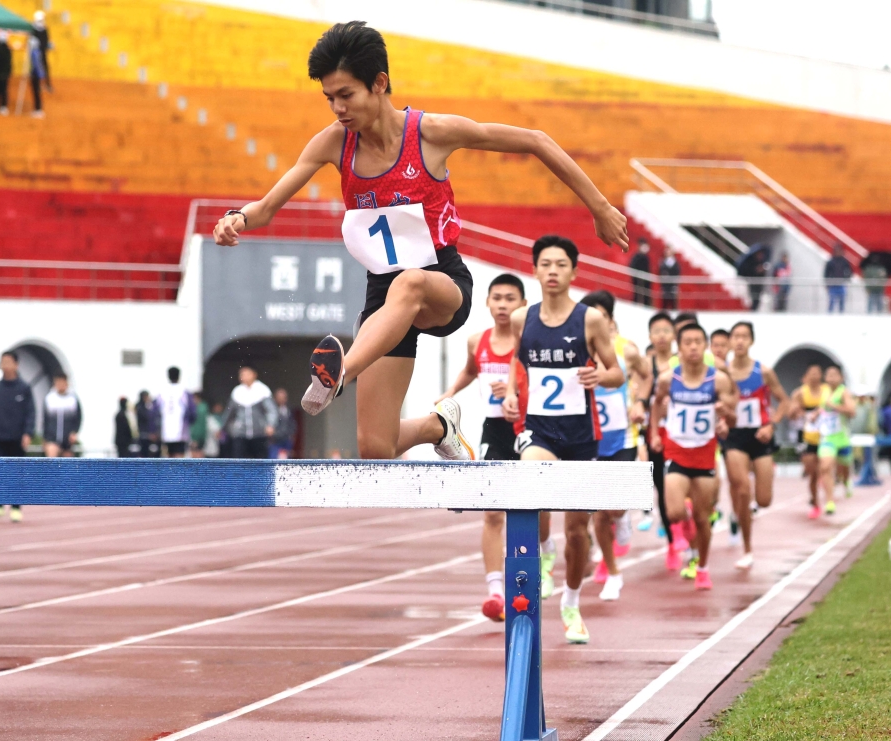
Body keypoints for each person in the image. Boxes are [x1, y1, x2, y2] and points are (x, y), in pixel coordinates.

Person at [212, 22, 629, 470]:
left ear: (380, 83)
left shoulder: (431, 133)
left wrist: (601, 208)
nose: (337, 108)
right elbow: (270, 205)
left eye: (346, 95)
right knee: (375, 446)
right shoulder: (335, 144)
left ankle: (338, 376)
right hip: (383, 300)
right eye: (329, 98)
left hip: (441, 282)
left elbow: (536, 141)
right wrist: (237, 217)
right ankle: (438, 427)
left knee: (409, 284)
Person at [501, 236, 624, 644]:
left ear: (574, 271)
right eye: (545, 264)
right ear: (535, 270)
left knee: (579, 531)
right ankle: (543, 547)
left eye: (561, 265)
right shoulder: (522, 318)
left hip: (580, 436)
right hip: (539, 428)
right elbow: (518, 362)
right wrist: (514, 393)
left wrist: (599, 376)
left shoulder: (590, 320)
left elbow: (616, 372)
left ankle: (571, 601)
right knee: (530, 485)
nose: (552, 271)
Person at [437, 273, 527, 621]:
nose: (503, 305)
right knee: (492, 511)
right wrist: (448, 394)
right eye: (497, 298)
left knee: (538, 512)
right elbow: (471, 370)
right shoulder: (478, 341)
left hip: (529, 428)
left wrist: (517, 390)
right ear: (488, 303)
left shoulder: (530, 340)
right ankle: (496, 593)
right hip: (494, 429)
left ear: (522, 305)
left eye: (510, 299)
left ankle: (543, 560)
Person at [650, 324, 736, 590]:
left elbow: (732, 415)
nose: (694, 347)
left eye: (699, 341)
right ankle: (685, 533)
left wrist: (725, 420)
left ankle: (703, 566)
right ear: (679, 346)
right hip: (676, 450)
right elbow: (655, 404)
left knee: (703, 517)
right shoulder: (668, 379)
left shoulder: (718, 379)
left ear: (706, 346)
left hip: (705, 454)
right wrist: (654, 432)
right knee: (675, 512)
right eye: (688, 342)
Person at [580, 290, 652, 602]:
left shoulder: (628, 350)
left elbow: (647, 376)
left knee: (615, 507)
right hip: (589, 439)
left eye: (600, 317)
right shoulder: (577, 349)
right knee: (598, 510)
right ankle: (613, 572)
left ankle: (623, 517)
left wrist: (638, 402)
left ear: (610, 320)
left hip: (622, 438)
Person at [721, 322, 789, 570]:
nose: (739, 341)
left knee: (764, 500)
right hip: (734, 436)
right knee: (741, 489)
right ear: (729, 342)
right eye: (735, 336)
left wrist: (771, 425)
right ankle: (747, 548)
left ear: (751, 341)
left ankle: (740, 512)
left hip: (760, 436)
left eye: (744, 337)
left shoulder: (764, 372)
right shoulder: (723, 374)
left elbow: (784, 401)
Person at [0, 351, 36, 523]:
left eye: (8, 362)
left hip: (17, 437)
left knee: (17, 473)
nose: (5, 365)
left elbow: (30, 413)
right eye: (2, 362)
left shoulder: (24, 388)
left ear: (16, 364)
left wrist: (28, 433)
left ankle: (16, 507)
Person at [644, 311, 678, 569]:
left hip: (680, 434)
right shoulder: (646, 365)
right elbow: (638, 393)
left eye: (667, 330)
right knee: (661, 489)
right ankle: (672, 542)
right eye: (657, 331)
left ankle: (685, 530)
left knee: (680, 487)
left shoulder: (683, 363)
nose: (662, 336)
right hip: (654, 434)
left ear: (674, 335)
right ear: (650, 336)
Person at [815, 366, 856, 513]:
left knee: (843, 469)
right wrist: (817, 414)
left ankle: (846, 481)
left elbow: (852, 412)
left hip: (842, 438)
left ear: (841, 378)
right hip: (827, 438)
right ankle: (830, 502)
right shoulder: (823, 391)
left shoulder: (844, 392)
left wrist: (835, 406)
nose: (831, 377)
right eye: (829, 375)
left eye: (834, 375)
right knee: (825, 467)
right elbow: (821, 409)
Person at [789, 366, 827, 518]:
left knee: (823, 467)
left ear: (821, 375)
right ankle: (815, 501)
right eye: (811, 373)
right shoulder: (799, 393)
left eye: (817, 373)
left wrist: (820, 411)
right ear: (805, 376)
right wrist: (797, 411)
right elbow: (791, 414)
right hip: (806, 436)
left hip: (825, 435)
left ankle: (819, 497)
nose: (814, 376)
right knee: (812, 471)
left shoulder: (826, 391)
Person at [221, 367, 278, 459]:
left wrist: (270, 425)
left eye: (247, 374)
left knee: (260, 461)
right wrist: (222, 428)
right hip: (240, 433)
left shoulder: (263, 390)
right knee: (239, 461)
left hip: (259, 433)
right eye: (242, 374)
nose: (244, 377)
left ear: (254, 374)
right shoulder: (237, 392)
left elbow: (272, 410)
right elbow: (229, 413)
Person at [156, 367, 195, 458]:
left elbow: (155, 411)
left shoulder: (162, 392)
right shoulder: (184, 392)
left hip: (165, 432)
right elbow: (192, 412)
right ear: (179, 376)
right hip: (181, 433)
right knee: (179, 457)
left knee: (168, 457)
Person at [42, 374, 82, 458]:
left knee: (68, 465)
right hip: (52, 438)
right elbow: (45, 420)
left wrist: (75, 432)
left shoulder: (73, 399)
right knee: (51, 460)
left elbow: (78, 418)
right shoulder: (50, 398)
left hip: (67, 440)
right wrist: (45, 437)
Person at [824, 244, 853, 313]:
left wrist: (846, 278)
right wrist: (827, 283)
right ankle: (830, 315)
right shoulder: (831, 262)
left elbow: (849, 271)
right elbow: (826, 273)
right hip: (833, 284)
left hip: (841, 284)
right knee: (832, 301)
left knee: (842, 301)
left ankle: (841, 315)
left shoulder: (844, 261)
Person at [269, 389, 297, 459]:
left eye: (283, 398)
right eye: (279, 398)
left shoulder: (289, 410)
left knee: (286, 461)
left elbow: (292, 423)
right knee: (274, 459)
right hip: (275, 440)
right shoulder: (271, 410)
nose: (281, 400)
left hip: (286, 439)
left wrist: (292, 434)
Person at [31, 11, 54, 91]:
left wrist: (49, 44)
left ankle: (47, 84)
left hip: (43, 51)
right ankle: (39, 85)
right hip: (36, 52)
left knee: (45, 67)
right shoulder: (34, 29)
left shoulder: (44, 29)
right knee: (36, 68)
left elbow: (46, 40)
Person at [135, 390, 160, 458]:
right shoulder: (141, 408)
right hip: (144, 435)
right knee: (144, 453)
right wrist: (149, 434)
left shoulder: (147, 407)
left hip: (148, 434)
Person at [629, 239, 652, 306]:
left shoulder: (646, 257)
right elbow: (632, 266)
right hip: (637, 278)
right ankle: (636, 304)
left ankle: (646, 304)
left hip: (645, 279)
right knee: (637, 293)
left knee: (646, 294)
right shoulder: (636, 256)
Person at [28, 36, 47, 118]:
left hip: (36, 75)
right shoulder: (37, 52)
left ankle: (38, 109)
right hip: (38, 75)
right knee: (37, 92)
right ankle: (37, 109)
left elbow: (36, 66)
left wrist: (35, 74)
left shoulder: (34, 53)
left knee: (36, 92)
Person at [658, 245, 681, 310]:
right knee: (665, 304)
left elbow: (677, 274)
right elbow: (661, 273)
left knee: (673, 305)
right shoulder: (662, 262)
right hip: (665, 286)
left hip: (673, 286)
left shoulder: (676, 263)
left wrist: (675, 286)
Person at [189, 391, 209, 458]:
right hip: (201, 436)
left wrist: (195, 438)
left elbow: (199, 425)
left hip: (197, 436)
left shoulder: (199, 409)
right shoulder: (204, 407)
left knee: (196, 455)